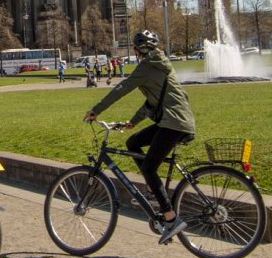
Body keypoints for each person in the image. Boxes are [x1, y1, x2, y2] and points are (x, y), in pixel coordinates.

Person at [83, 30, 195, 245]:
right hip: (173, 121)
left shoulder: (146, 67)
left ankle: (171, 219)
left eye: (135, 49)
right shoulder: (159, 64)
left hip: (174, 123)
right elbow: (153, 102)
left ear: (139, 49)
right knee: (133, 142)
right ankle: (154, 191)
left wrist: (96, 110)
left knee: (148, 168)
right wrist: (133, 121)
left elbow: (121, 88)